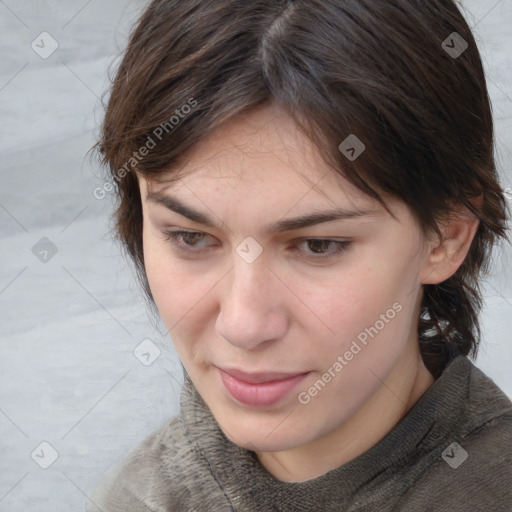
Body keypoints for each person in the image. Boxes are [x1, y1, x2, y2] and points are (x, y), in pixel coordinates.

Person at [86, 0, 512, 510]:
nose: (243, 324)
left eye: (318, 245)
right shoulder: (137, 497)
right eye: (190, 237)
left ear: (446, 236)